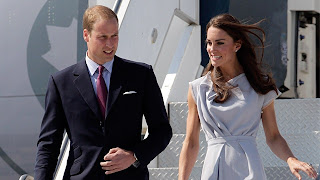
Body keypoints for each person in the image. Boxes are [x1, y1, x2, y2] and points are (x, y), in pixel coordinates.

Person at [34, 5, 172, 180]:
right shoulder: (61, 82)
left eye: (114, 36)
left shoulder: (140, 75)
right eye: (103, 37)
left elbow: (162, 130)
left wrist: (134, 155)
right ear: (86, 35)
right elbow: (48, 144)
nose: (110, 44)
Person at [178, 14, 317, 180]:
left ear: (237, 45)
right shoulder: (197, 88)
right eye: (209, 43)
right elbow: (191, 142)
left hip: (250, 170)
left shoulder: (260, 85)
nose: (211, 49)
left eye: (220, 43)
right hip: (213, 169)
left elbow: (273, 137)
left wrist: (291, 159)